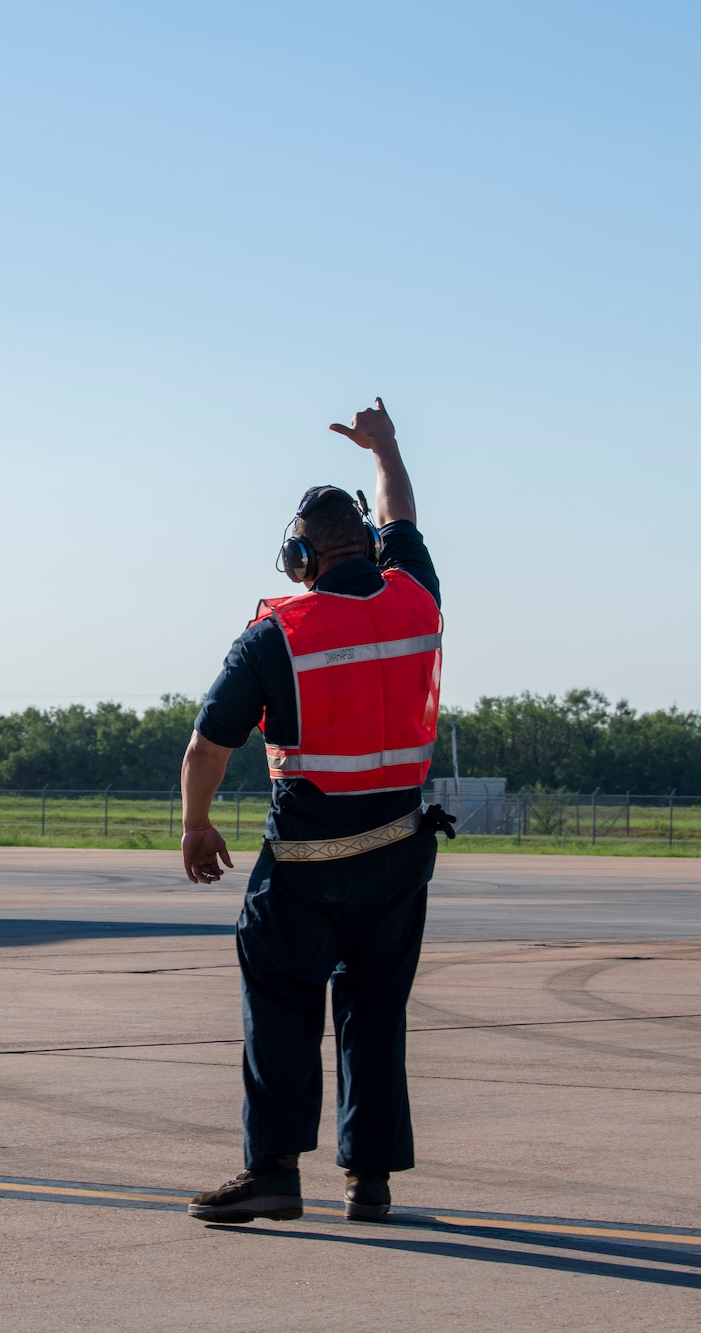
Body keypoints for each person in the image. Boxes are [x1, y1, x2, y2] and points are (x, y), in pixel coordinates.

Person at [181, 397, 453, 1225]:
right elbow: (402, 513)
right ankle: (368, 1180)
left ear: (300, 557)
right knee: (374, 1013)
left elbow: (207, 747)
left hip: (303, 866)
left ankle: (272, 1169)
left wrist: (197, 823)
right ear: (368, 545)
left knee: (280, 1007)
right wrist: (386, 447)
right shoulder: (418, 600)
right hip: (397, 853)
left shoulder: (277, 635)